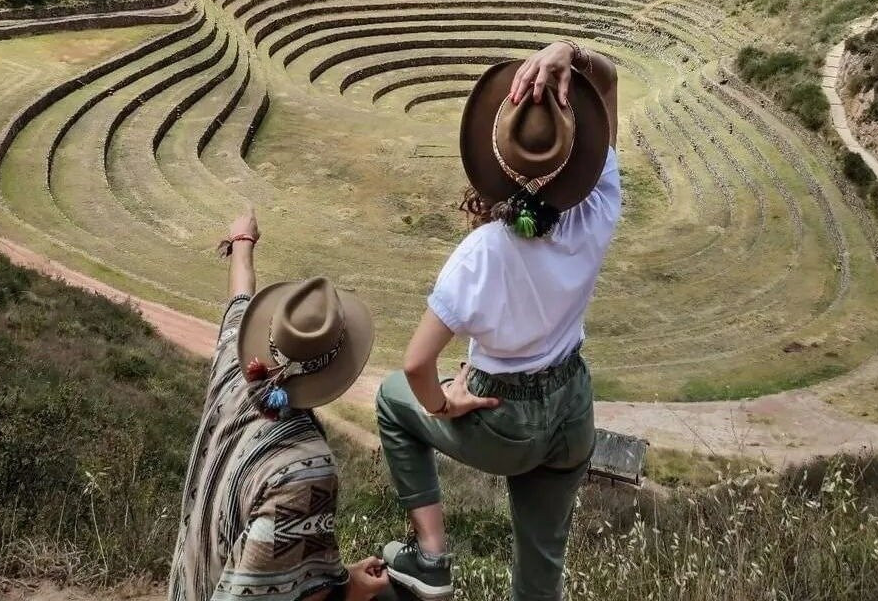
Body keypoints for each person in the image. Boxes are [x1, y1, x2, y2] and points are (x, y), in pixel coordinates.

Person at [375, 40, 620, 601]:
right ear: (577, 155)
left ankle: (430, 555)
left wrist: (443, 404)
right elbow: (608, 85)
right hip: (572, 409)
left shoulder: (482, 253)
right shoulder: (598, 209)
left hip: (501, 418)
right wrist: (571, 53)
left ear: (492, 160)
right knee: (542, 566)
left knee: (392, 399)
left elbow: (416, 365)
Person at [169, 209, 390, 601]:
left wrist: (242, 242)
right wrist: (349, 588)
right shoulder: (305, 468)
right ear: (337, 369)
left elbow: (239, 298)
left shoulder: (234, 371)